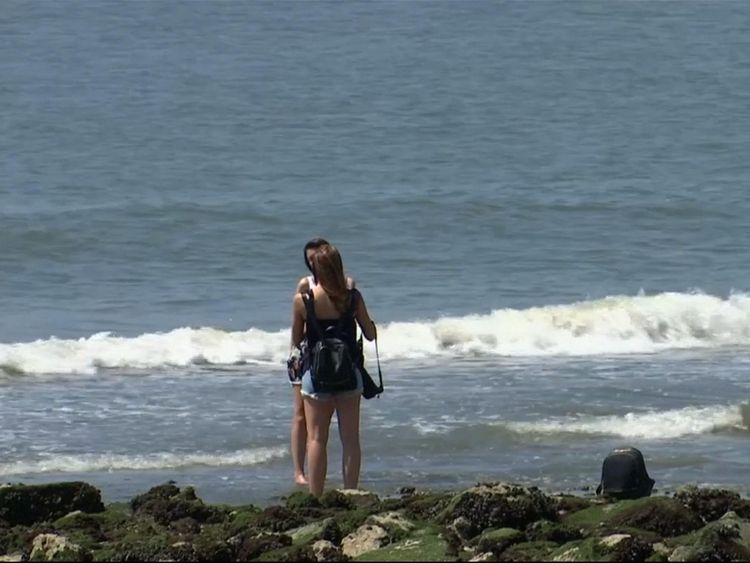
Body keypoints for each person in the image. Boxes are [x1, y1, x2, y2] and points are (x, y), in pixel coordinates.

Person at [290, 243, 376, 496]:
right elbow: (369, 334)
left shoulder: (303, 301)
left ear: (314, 268)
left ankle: (316, 495)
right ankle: (351, 491)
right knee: (350, 438)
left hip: (317, 376)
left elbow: (297, 341)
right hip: (348, 374)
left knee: (317, 438)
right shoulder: (353, 297)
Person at [288, 238, 354, 486]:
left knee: (317, 431)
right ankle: (299, 471)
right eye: (309, 259)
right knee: (301, 416)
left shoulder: (347, 287)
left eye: (316, 258)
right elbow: (298, 333)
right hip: (306, 356)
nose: (312, 263)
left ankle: (314, 483)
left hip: (328, 357)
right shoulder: (306, 285)